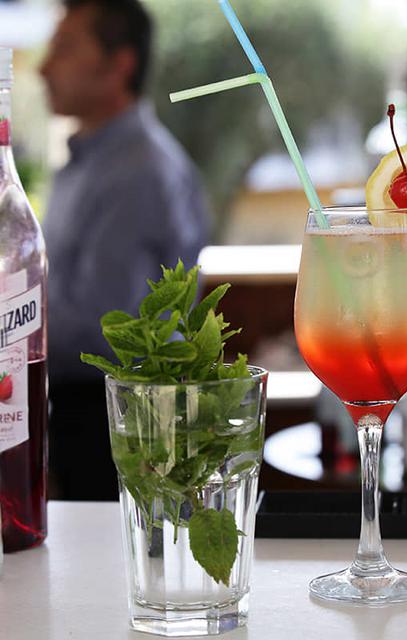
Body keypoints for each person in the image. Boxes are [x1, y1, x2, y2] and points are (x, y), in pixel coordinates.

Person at [40, 0, 211, 500]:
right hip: (81, 420)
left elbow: (106, 328)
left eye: (65, 48)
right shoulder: (89, 160)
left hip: (122, 434)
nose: (45, 67)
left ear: (119, 64)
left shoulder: (140, 172)